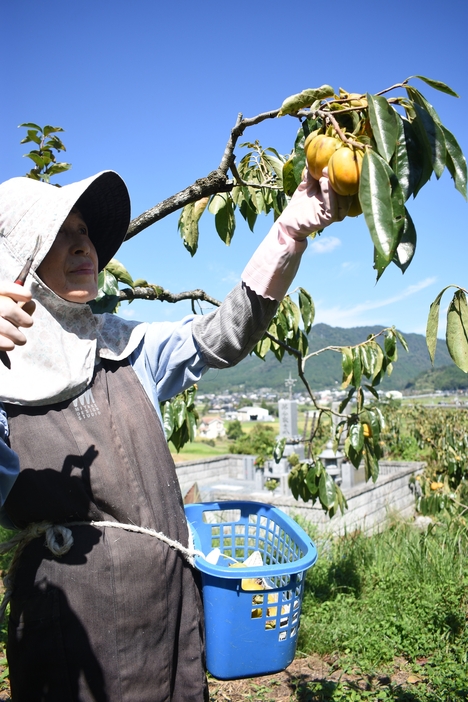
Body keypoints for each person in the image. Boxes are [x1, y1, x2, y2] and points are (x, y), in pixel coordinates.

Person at [0, 168, 348, 702]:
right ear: (20, 260)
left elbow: (222, 336)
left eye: (85, 231)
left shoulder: (122, 345)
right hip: (69, 643)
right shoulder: (4, 383)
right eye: (59, 234)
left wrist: (289, 234)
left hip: (169, 620)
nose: (83, 245)